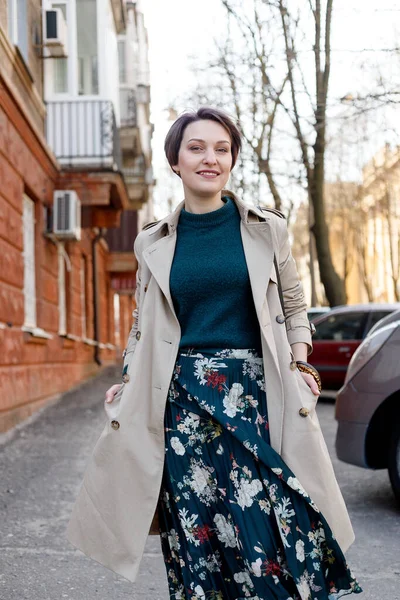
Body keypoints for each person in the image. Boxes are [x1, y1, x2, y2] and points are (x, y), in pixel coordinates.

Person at [67, 107, 362, 599]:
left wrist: (300, 360)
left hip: (254, 395)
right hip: (179, 401)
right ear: (176, 161)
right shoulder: (152, 242)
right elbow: (144, 322)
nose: (211, 158)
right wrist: (128, 376)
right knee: (198, 530)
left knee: (269, 522)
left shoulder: (266, 229)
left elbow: (292, 303)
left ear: (232, 160)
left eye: (222, 149)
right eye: (197, 148)